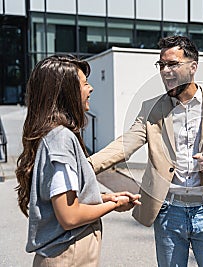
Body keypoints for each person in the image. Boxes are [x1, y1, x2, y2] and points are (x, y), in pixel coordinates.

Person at [88, 35, 203, 266]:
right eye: (161, 65)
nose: (165, 71)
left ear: (193, 67)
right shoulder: (151, 108)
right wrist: (84, 166)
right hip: (169, 211)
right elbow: (125, 144)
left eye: (172, 64)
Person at [15, 55, 141, 266]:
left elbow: (65, 197)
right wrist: (114, 205)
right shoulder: (61, 138)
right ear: (66, 93)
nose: (90, 89)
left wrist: (105, 198)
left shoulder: (51, 135)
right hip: (69, 253)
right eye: (84, 84)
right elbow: (70, 216)